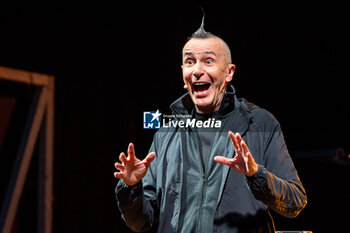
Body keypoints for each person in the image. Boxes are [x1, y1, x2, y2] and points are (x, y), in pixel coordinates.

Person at [114, 17, 307, 233]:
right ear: (182, 74)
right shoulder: (166, 134)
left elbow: (295, 201)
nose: (197, 70)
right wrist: (132, 187)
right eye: (189, 62)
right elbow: (141, 222)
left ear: (229, 72)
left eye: (208, 61)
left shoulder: (259, 123)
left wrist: (256, 174)